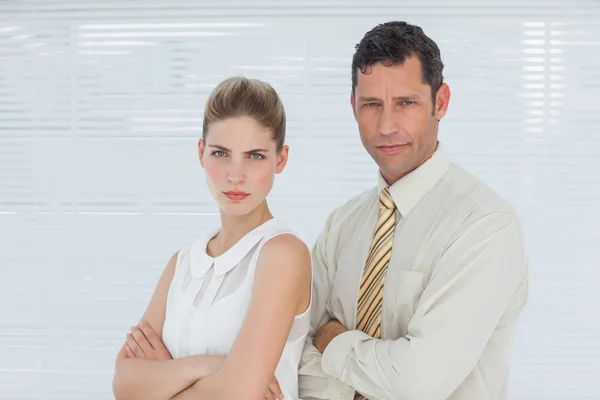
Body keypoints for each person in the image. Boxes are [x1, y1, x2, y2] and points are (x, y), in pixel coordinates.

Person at [298, 21, 529, 400]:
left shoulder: (485, 226)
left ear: (440, 102)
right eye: (372, 104)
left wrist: (331, 339)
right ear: (353, 107)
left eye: (406, 103)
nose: (386, 126)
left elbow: (418, 383)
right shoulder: (341, 224)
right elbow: (290, 356)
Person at [112, 76, 312, 400]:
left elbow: (237, 394)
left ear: (281, 158)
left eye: (255, 156)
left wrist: (162, 379)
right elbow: (123, 383)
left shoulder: (283, 254)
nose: (235, 175)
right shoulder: (181, 264)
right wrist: (209, 366)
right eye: (221, 153)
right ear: (201, 152)